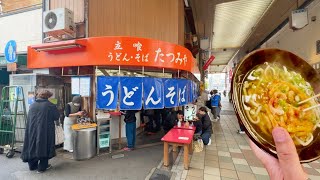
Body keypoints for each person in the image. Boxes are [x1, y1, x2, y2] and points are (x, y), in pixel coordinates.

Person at [21, 89, 60, 173]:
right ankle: (42, 167)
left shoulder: (32, 105)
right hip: (45, 130)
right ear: (48, 96)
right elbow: (56, 116)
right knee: (44, 145)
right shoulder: (50, 105)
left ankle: (32, 166)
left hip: (31, 130)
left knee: (32, 145)